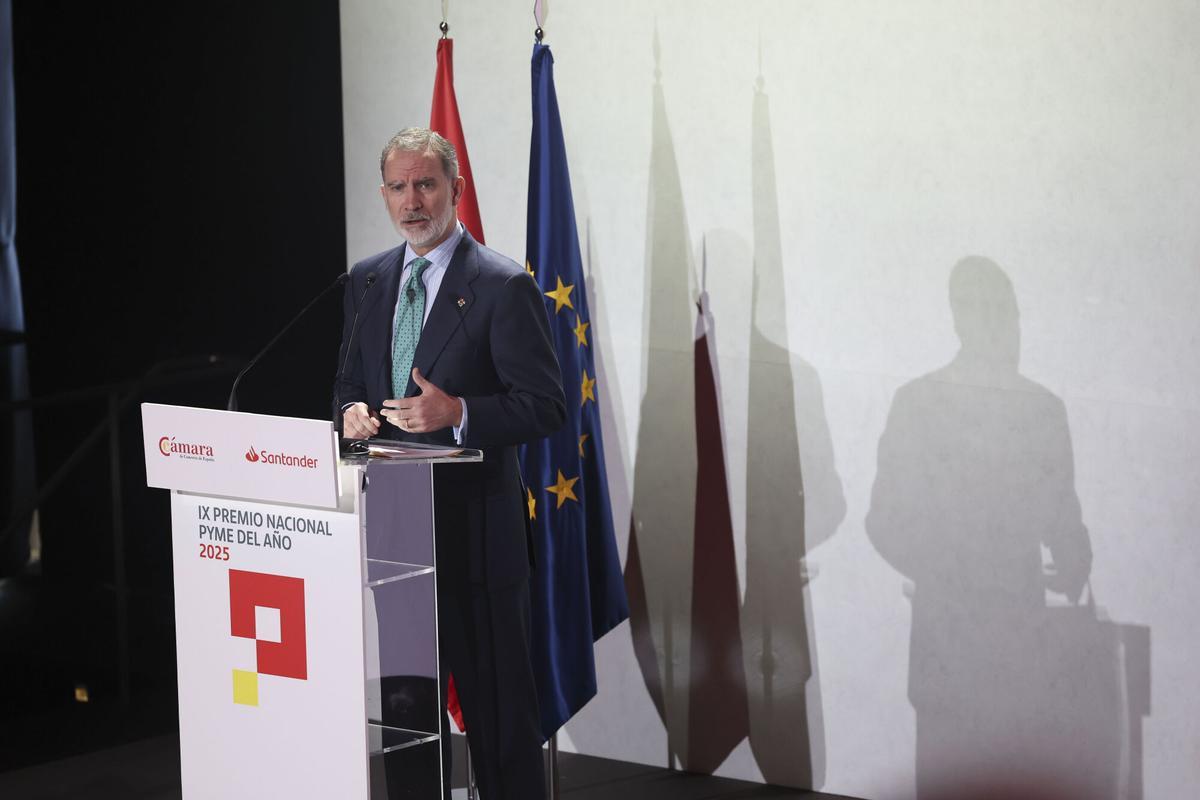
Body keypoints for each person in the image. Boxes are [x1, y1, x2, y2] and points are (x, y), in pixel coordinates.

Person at [335, 127, 564, 800]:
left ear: (455, 190)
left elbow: (547, 407)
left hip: (477, 537)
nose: (413, 201)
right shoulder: (366, 280)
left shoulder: (501, 285)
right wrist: (349, 415)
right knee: (407, 713)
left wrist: (458, 412)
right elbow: (349, 383)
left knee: (497, 719)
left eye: (426, 185)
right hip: (396, 537)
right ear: (384, 195)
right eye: (400, 188)